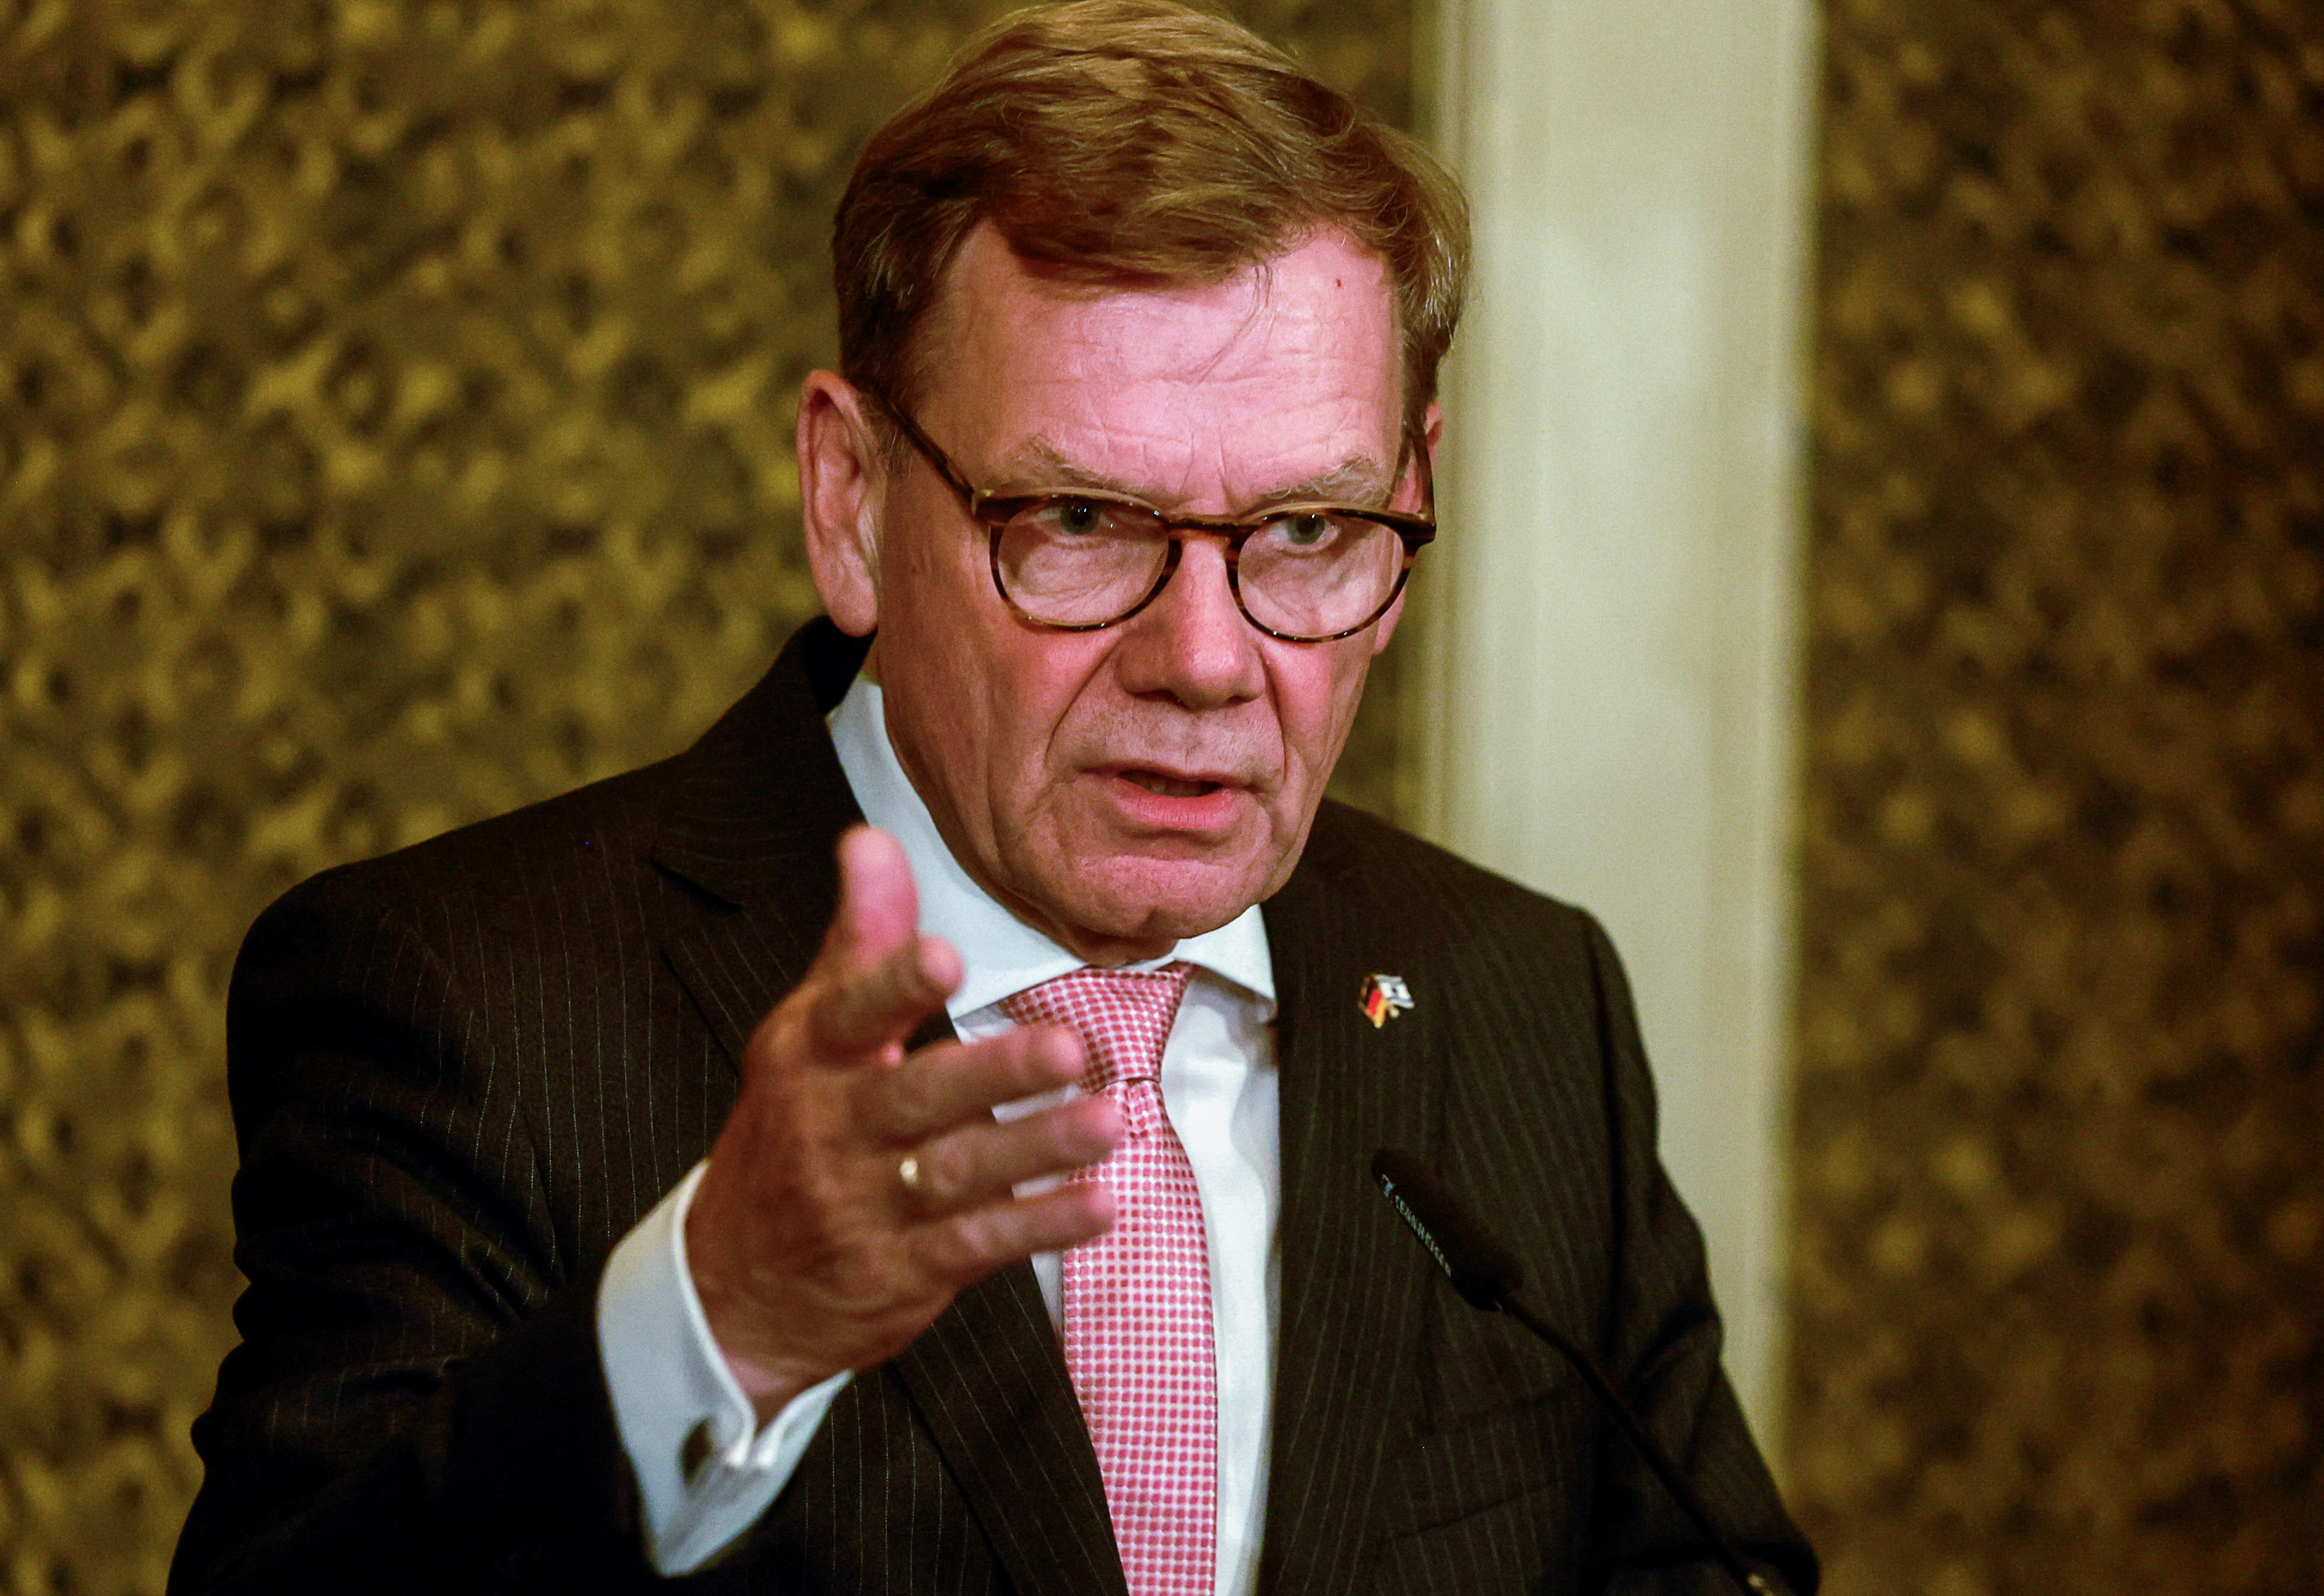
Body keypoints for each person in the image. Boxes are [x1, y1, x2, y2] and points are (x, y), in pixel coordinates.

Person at [171, 4, 1816, 1593]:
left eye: (1308, 532)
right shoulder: (466, 1003)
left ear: (1413, 494)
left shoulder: (1519, 1003)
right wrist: (716, 1321)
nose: (1205, 661)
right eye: (1083, 521)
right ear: (854, 500)